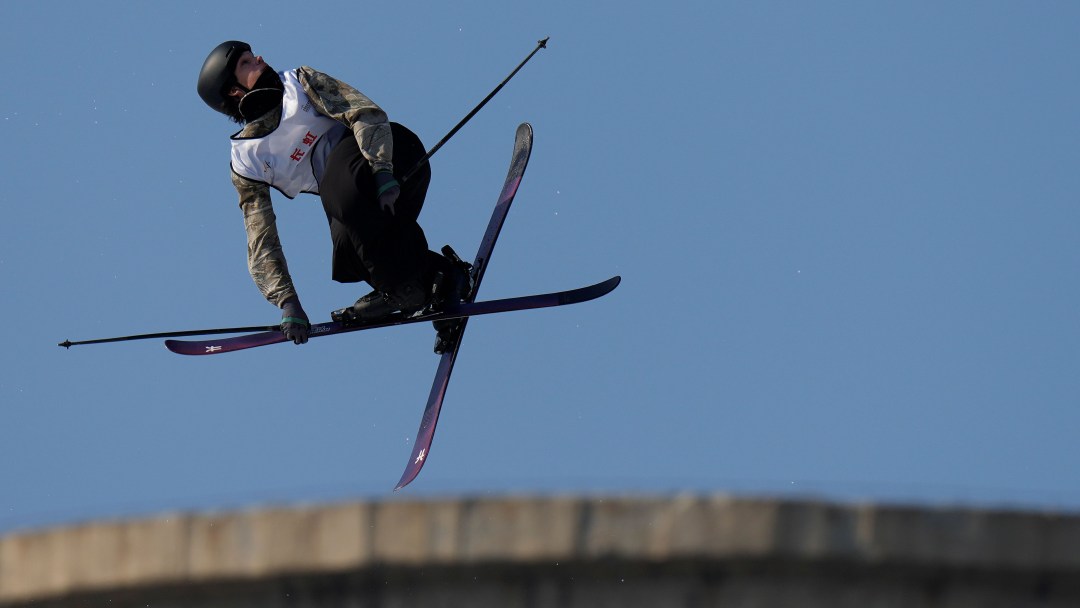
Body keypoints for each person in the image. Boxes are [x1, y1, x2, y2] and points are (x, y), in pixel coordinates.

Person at [196, 41, 470, 352]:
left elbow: (364, 112)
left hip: (396, 159)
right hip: (359, 203)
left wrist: (381, 169)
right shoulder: (247, 160)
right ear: (233, 90)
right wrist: (287, 302)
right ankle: (435, 284)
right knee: (348, 252)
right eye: (247, 62)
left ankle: (410, 285)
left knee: (340, 192)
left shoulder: (299, 83)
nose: (259, 57)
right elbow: (261, 238)